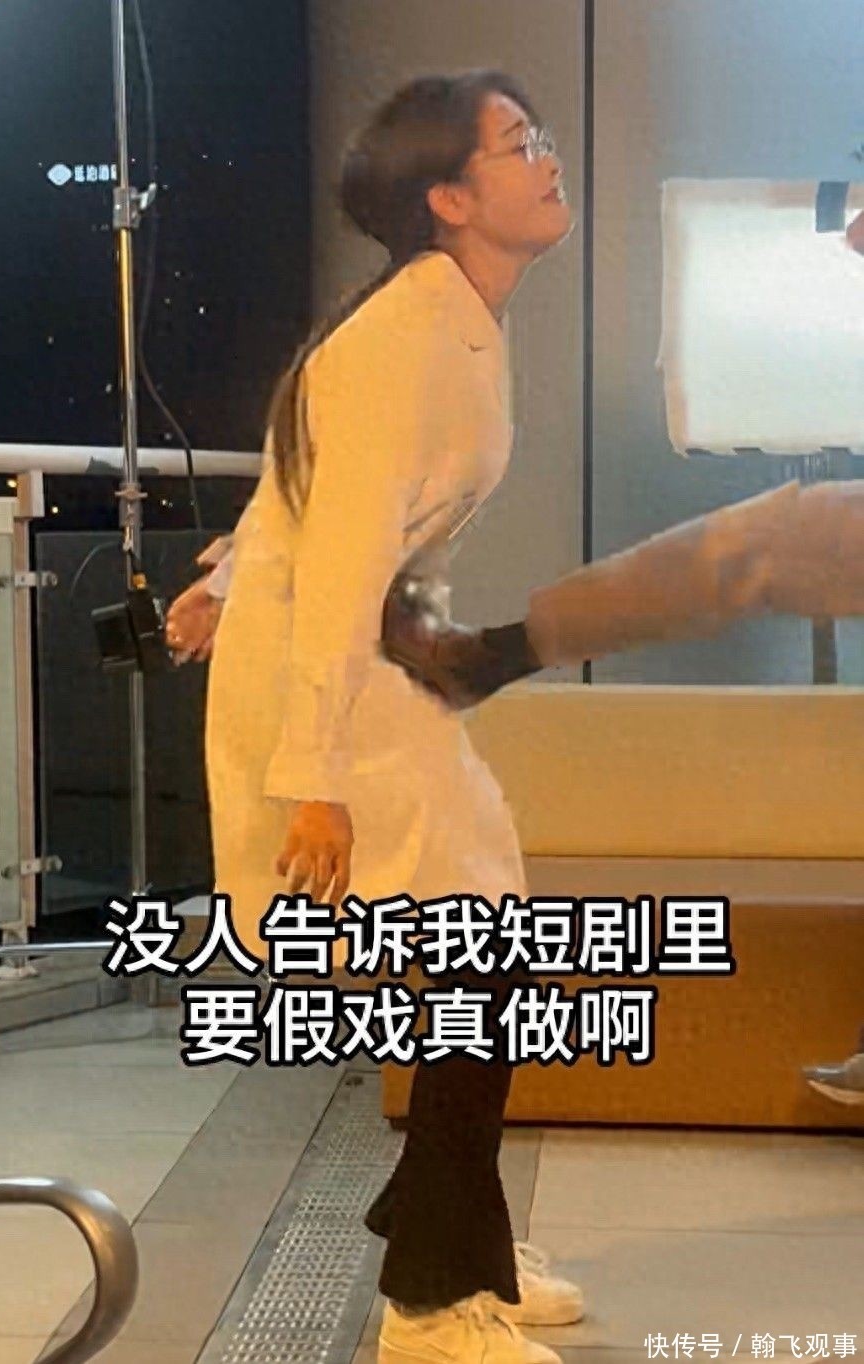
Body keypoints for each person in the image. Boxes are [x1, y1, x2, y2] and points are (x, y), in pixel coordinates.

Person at [196, 71, 584, 1364]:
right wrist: (311, 779)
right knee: (481, 950)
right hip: (334, 679)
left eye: (538, 137)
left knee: (484, 946)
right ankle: (428, 1297)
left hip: (359, 659)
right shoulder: (403, 338)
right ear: (449, 198)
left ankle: (447, 1232)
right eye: (516, 144)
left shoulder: (446, 314)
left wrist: (220, 580)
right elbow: (341, 557)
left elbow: (303, 502)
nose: (546, 159)